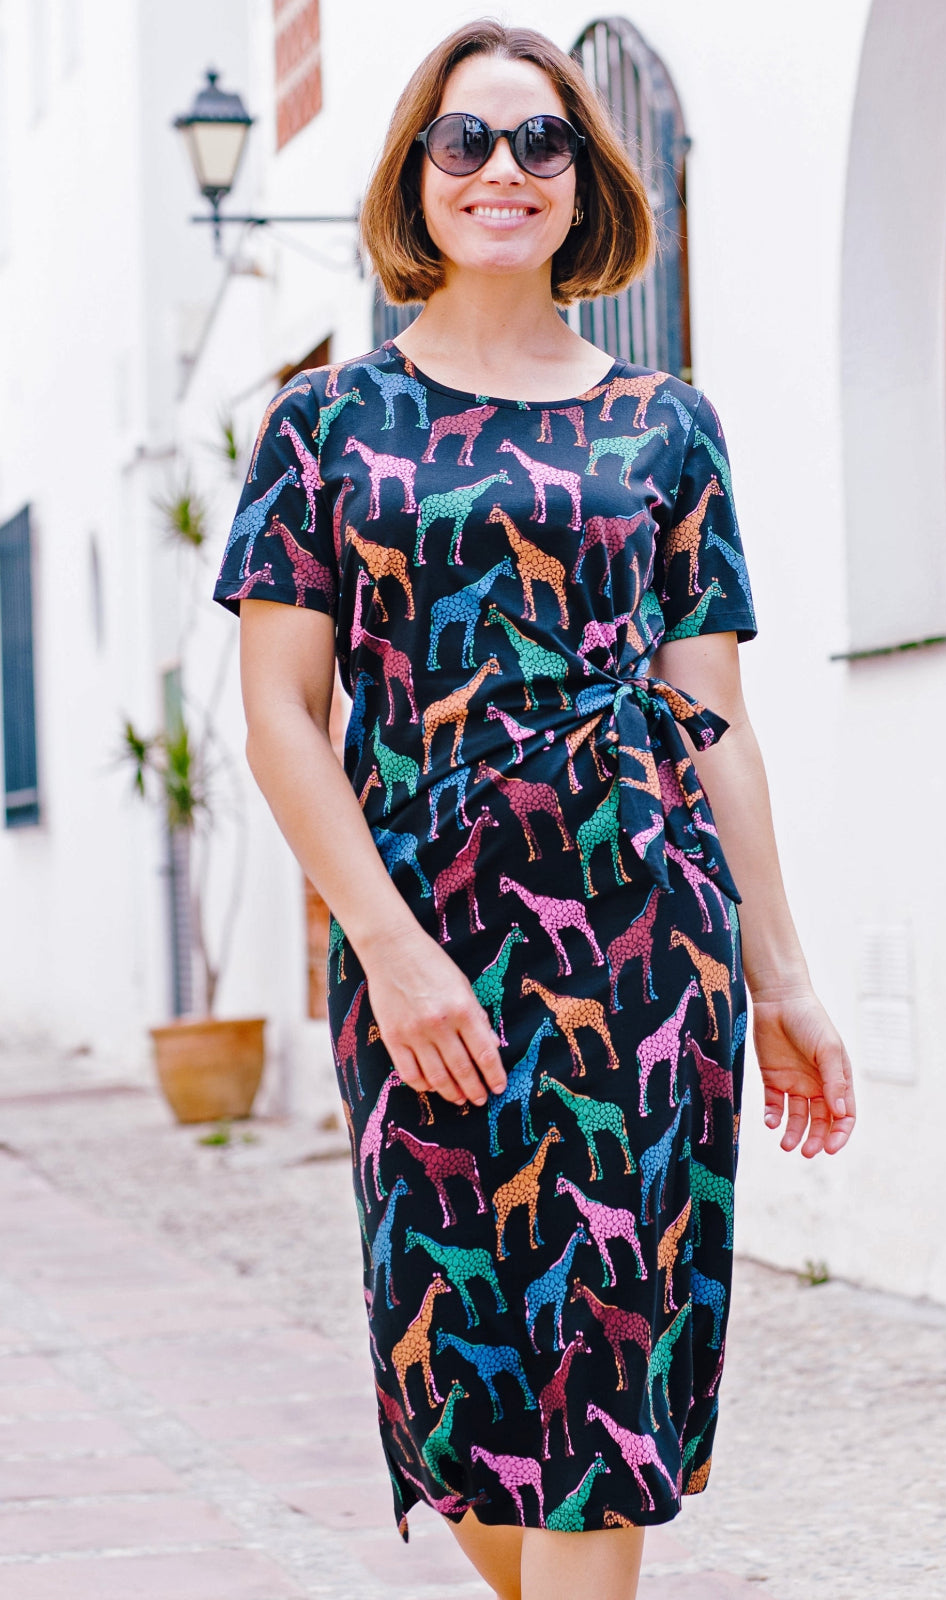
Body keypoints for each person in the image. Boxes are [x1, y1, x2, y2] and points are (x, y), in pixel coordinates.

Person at [214, 19, 856, 1600]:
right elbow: (282, 718)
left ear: (585, 183)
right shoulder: (326, 428)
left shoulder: (666, 426)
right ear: (416, 179)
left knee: (607, 1373)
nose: (504, 170)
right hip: (421, 950)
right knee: (464, 1385)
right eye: (467, 141)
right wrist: (390, 949)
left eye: (541, 143)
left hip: (644, 949)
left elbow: (713, 719)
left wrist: (781, 977)